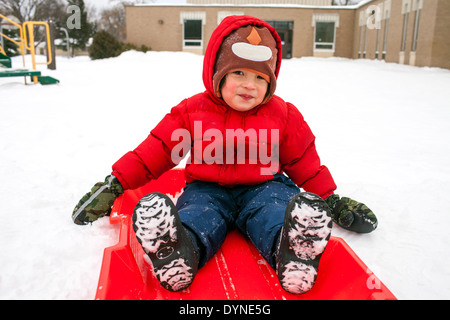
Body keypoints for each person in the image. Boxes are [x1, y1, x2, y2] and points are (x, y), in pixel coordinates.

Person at [72, 15, 378, 295]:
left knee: (272, 213)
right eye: (239, 73)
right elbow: (158, 150)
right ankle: (178, 250)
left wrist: (331, 199)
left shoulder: (282, 114)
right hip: (207, 189)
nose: (249, 84)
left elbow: (304, 162)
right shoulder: (194, 111)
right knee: (198, 217)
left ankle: (293, 249)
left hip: (264, 186)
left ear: (271, 81)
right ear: (216, 72)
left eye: (261, 78)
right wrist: (115, 184)